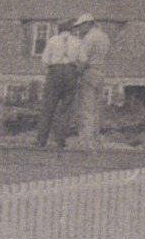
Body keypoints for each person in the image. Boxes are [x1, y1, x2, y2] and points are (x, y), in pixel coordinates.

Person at [35, 18, 81, 148]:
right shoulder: (77, 42)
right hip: (70, 72)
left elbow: (44, 60)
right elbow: (82, 60)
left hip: (55, 71)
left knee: (48, 108)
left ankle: (41, 141)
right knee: (65, 109)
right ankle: (60, 140)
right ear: (71, 30)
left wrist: (50, 74)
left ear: (59, 29)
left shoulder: (52, 40)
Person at [73, 13, 111, 151]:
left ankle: (87, 142)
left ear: (88, 24)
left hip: (89, 72)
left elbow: (83, 60)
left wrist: (76, 73)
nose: (80, 29)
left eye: (81, 26)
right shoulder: (104, 36)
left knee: (87, 109)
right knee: (96, 109)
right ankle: (96, 141)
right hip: (101, 73)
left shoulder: (89, 38)